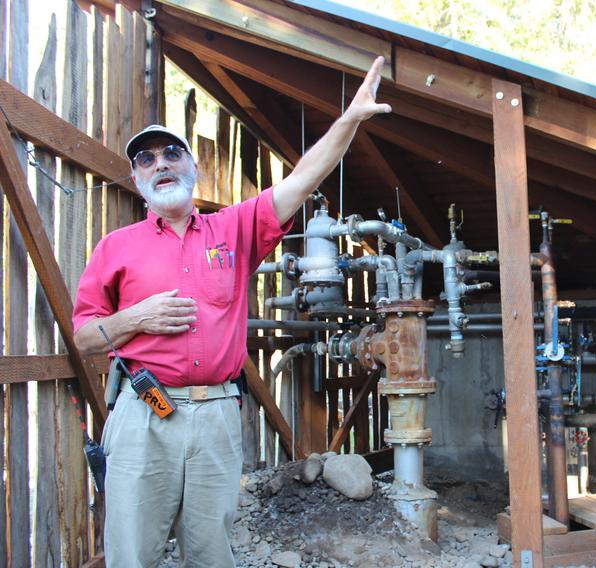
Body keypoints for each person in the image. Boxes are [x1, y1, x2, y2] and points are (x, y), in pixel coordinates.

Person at [72, 56, 391, 567]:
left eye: (171, 154)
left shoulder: (233, 230)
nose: (161, 165)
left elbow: (303, 180)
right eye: (146, 160)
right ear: (135, 179)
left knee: (212, 552)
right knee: (132, 553)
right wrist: (139, 317)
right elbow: (85, 338)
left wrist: (349, 120)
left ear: (192, 168)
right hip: (142, 415)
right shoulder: (115, 247)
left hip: (217, 415)